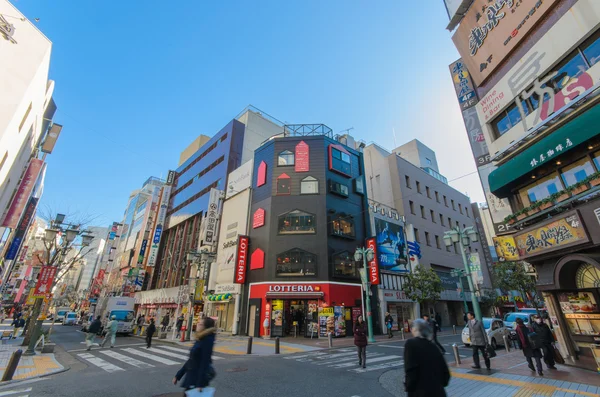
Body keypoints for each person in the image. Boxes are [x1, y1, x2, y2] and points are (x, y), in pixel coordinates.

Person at [404, 319, 450, 397]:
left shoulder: (410, 344)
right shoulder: (434, 346)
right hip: (439, 392)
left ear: (415, 330)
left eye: (412, 328)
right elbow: (446, 374)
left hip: (420, 391)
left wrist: (408, 386)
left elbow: (411, 370)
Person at [173, 317, 217, 393]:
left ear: (205, 327)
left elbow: (205, 362)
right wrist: (178, 375)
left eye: (200, 324)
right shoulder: (200, 338)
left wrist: (200, 384)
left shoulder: (207, 340)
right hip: (191, 377)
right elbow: (191, 359)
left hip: (196, 380)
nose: (198, 325)